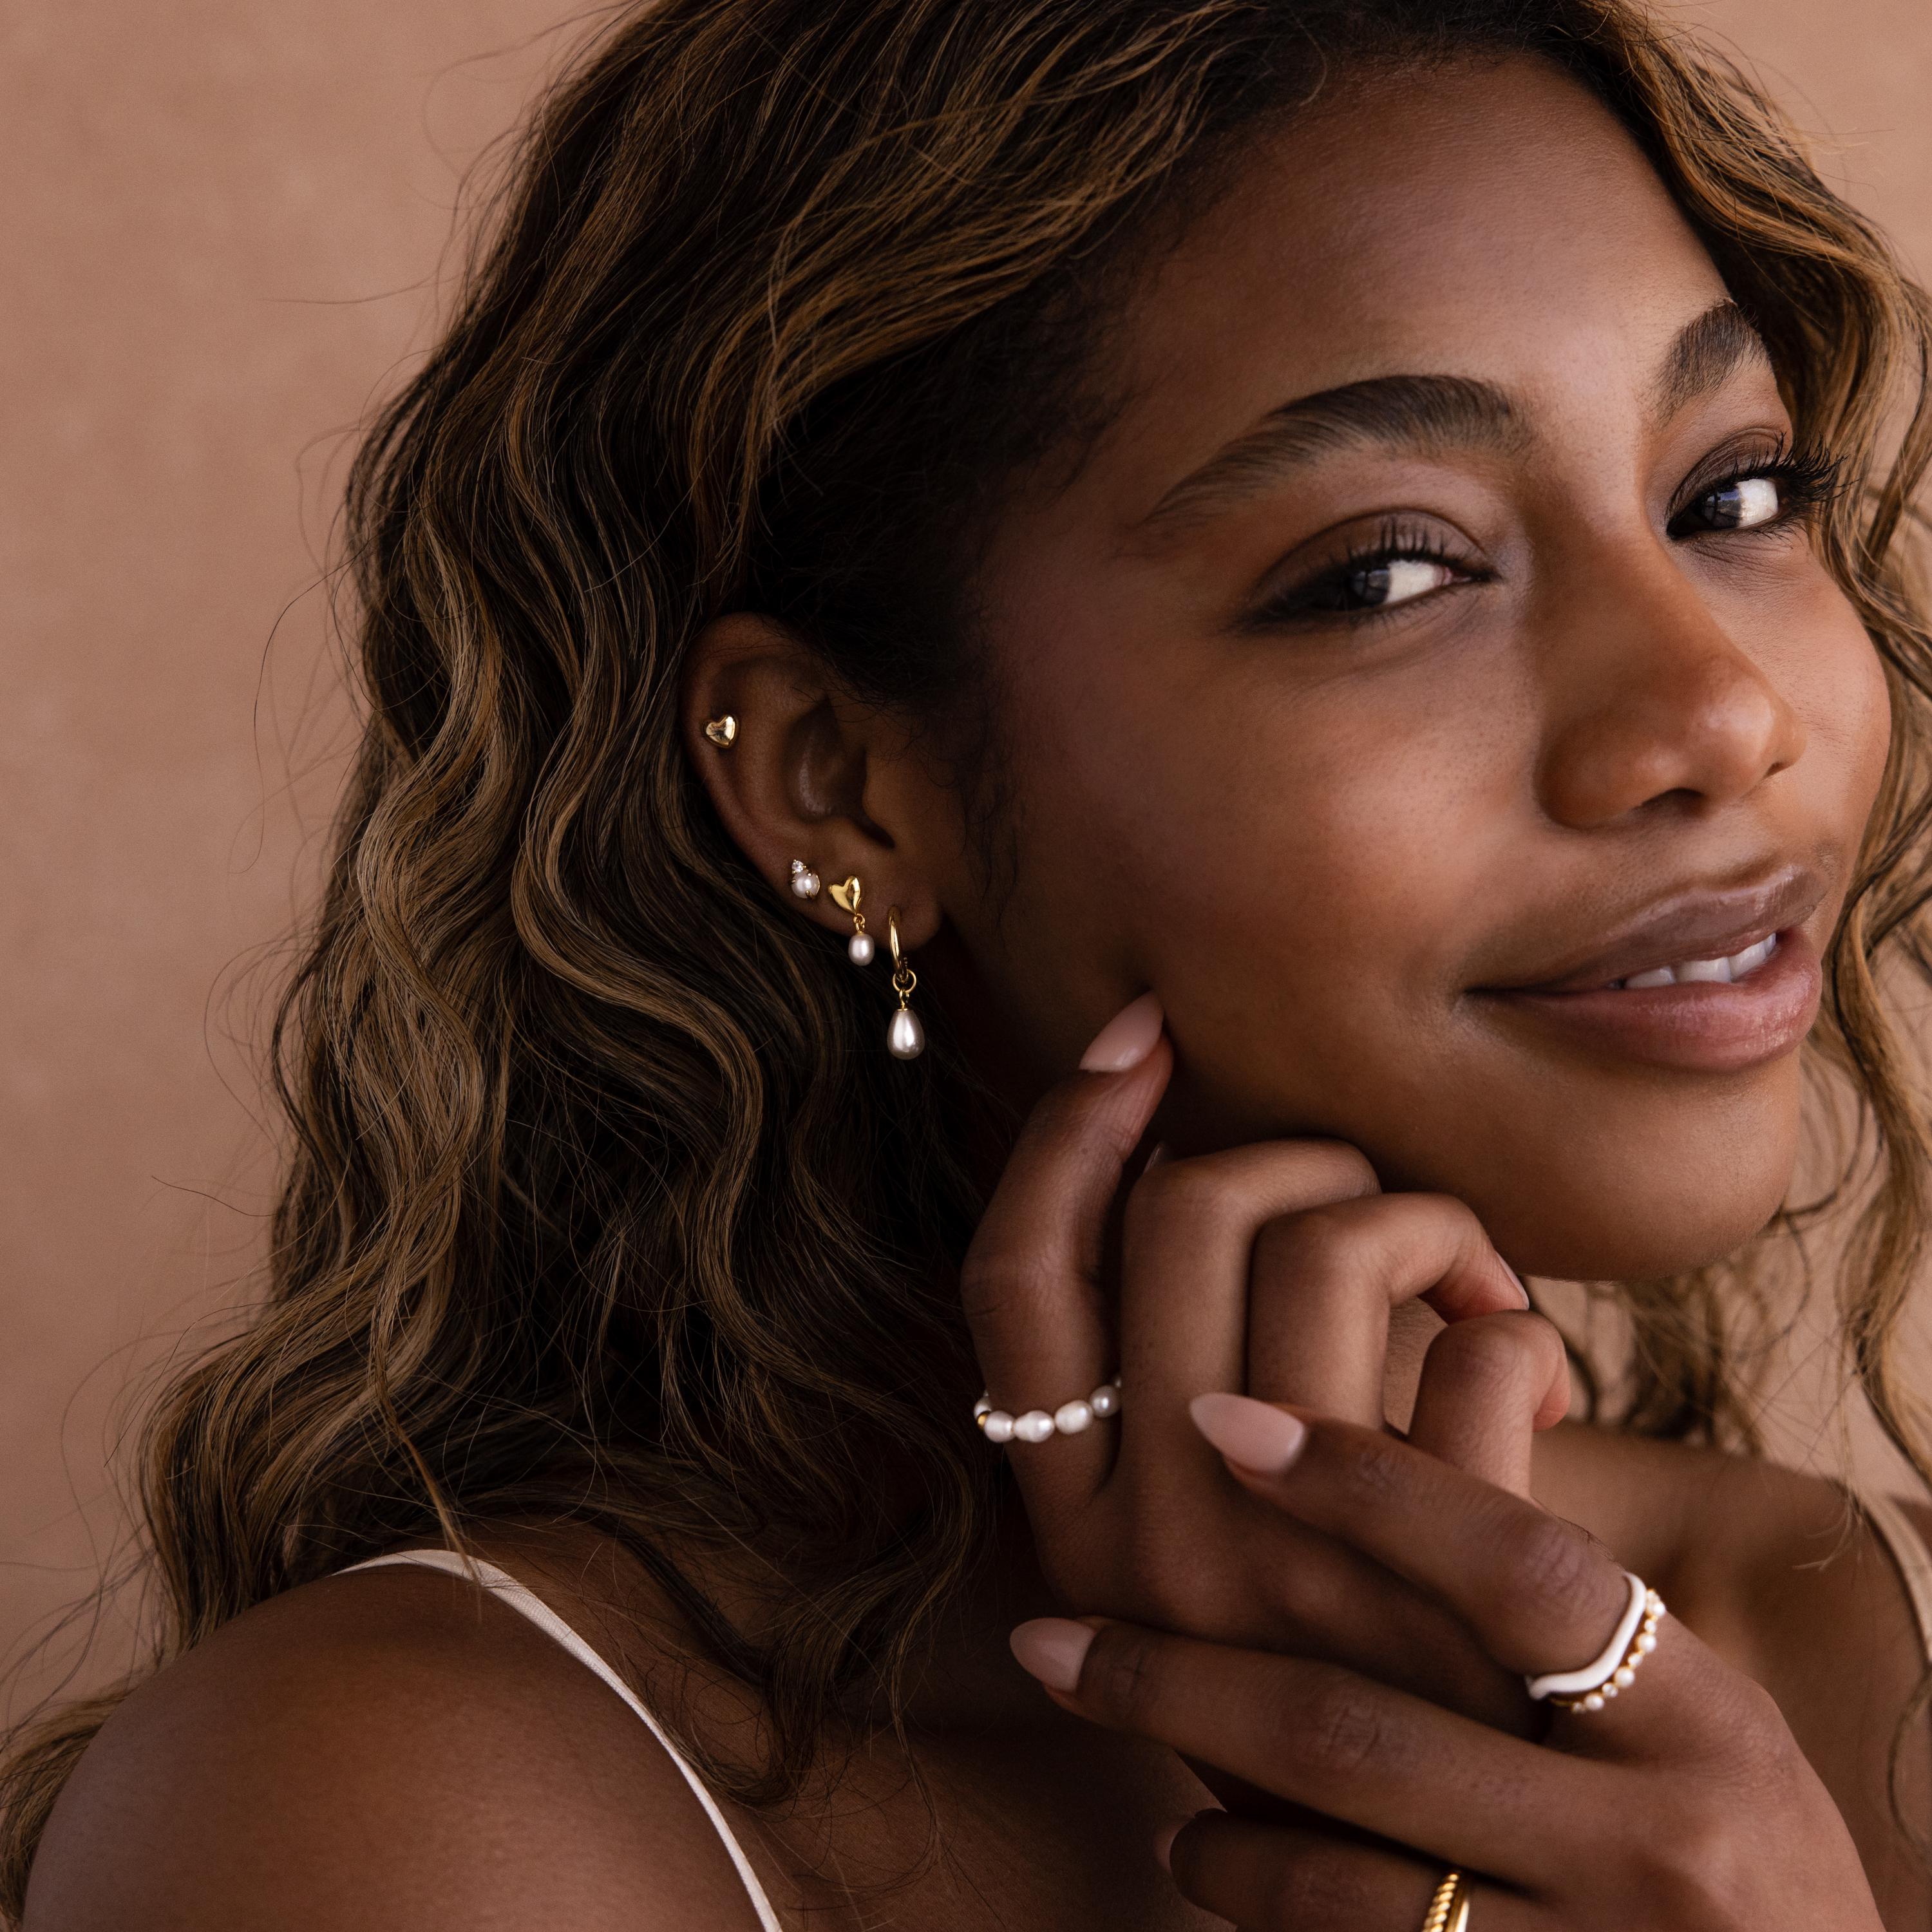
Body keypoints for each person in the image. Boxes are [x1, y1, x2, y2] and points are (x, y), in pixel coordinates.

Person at [8, 0, 1932, 1924]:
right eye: (1391, 573)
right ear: (842, 783)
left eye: (1733, 497)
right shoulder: (409, 1808)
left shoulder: (1841, 1637)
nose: (1718, 712)